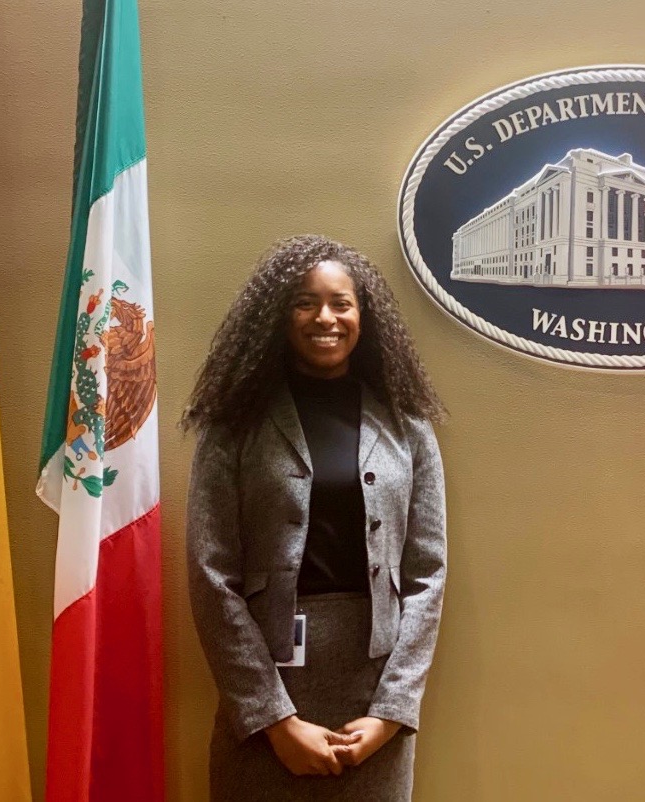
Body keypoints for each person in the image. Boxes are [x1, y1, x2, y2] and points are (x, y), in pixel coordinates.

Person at [183, 234, 447, 800]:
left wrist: (392, 712)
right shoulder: (234, 424)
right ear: (277, 317)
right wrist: (273, 718)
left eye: (341, 303)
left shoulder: (408, 425)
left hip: (374, 702)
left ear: (363, 316)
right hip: (263, 697)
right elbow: (211, 575)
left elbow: (428, 577)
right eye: (304, 302)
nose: (324, 317)